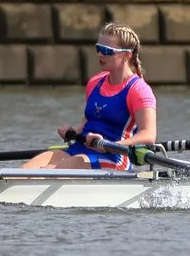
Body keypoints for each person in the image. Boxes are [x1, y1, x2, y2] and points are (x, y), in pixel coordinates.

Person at [21, 22, 158, 170]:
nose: (100, 54)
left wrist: (109, 145)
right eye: (99, 48)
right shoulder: (95, 82)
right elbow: (88, 122)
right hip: (80, 149)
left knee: (48, 172)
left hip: (114, 157)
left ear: (126, 55)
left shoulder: (139, 90)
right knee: (23, 171)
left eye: (107, 51)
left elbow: (148, 135)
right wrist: (73, 132)